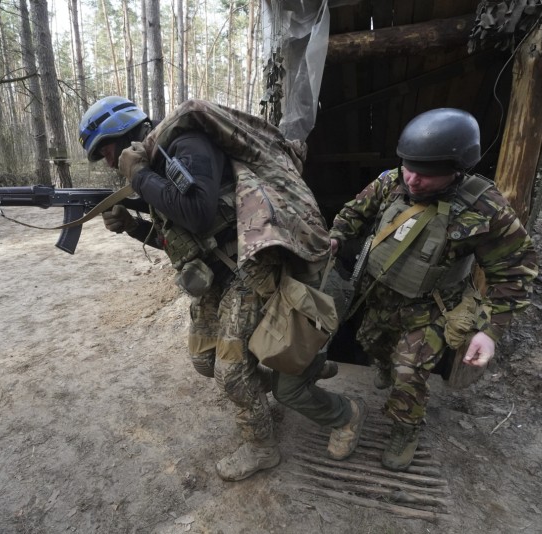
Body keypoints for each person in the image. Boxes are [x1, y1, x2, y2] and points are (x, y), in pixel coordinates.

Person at [78, 96, 368, 481]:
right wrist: (132, 225)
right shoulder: (159, 164)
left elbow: (197, 214)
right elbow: (183, 237)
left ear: (123, 133)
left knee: (231, 373)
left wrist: (138, 177)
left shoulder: (186, 144)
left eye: (107, 152)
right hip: (221, 274)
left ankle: (266, 445)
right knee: (206, 361)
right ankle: (292, 375)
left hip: (253, 265)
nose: (111, 163)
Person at [329, 108, 538, 471]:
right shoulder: (392, 180)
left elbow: (514, 274)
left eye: (425, 175)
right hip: (377, 294)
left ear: (456, 169)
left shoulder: (485, 209)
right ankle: (384, 366)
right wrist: (335, 238)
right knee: (372, 343)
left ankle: (405, 427)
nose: (412, 180)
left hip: (432, 307)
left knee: (408, 372)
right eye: (408, 168)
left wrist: (490, 332)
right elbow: (354, 213)